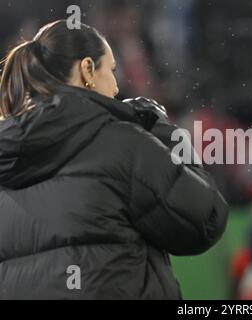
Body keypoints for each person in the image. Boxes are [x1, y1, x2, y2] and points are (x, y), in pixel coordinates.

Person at [0, 20, 228, 299]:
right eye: (111, 70)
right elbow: (204, 219)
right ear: (87, 70)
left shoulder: (5, 157)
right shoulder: (119, 141)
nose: (117, 87)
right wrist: (163, 133)